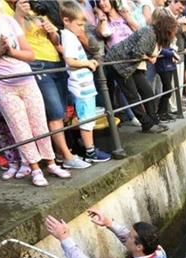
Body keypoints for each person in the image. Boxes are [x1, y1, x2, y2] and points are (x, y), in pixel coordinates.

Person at [0, 0, 68, 187]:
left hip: (25, 78)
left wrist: (10, 51)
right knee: (19, 127)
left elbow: (29, 54)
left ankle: (51, 162)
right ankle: (35, 168)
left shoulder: (9, 21)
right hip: (2, 84)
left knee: (39, 123)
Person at [1, 0, 92, 172]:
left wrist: (52, 32)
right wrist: (19, 15)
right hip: (35, 64)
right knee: (55, 112)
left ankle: (61, 153)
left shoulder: (35, 6)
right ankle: (67, 157)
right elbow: (12, 40)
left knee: (63, 111)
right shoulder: (2, 9)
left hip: (55, 61)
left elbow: (55, 39)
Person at [105, 11, 178, 133]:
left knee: (147, 91)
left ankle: (154, 121)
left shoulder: (155, 35)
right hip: (118, 63)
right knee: (132, 95)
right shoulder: (149, 33)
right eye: (172, 31)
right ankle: (147, 124)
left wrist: (151, 56)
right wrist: (150, 57)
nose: (173, 34)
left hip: (132, 65)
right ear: (166, 29)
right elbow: (137, 52)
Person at [60, 1, 112, 163]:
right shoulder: (68, 36)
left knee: (88, 117)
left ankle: (88, 147)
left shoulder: (71, 36)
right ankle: (90, 151)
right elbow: (70, 61)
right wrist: (88, 63)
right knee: (87, 119)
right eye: (79, 25)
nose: (82, 29)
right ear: (66, 21)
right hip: (80, 87)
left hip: (85, 86)